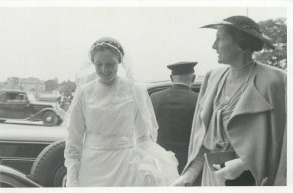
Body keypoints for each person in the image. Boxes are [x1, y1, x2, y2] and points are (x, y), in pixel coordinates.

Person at [172, 16, 286, 186]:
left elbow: (282, 141)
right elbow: (202, 134)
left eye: (219, 38)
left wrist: (243, 163)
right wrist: (190, 174)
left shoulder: (275, 80)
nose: (213, 46)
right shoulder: (213, 77)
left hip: (252, 178)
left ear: (241, 43)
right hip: (212, 178)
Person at [64, 37, 179, 187]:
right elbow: (74, 140)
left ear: (119, 61)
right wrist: (72, 176)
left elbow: (143, 136)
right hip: (91, 169)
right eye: (99, 64)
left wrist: (147, 165)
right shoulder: (85, 92)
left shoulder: (134, 90)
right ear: (93, 63)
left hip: (126, 168)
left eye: (110, 64)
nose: (105, 70)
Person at [150, 62, 198, 173]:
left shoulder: (154, 97)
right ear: (194, 78)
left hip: (160, 159)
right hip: (188, 160)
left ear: (171, 78)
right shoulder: (200, 99)